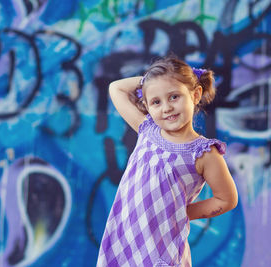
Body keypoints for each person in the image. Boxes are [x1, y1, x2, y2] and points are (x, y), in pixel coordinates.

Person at [96, 56, 238, 267]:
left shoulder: (204, 153)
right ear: (146, 105)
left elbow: (227, 199)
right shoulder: (147, 130)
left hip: (162, 249)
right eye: (156, 102)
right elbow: (116, 88)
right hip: (125, 240)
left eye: (174, 96)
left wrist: (183, 212)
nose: (166, 108)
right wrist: (154, 80)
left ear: (195, 94)